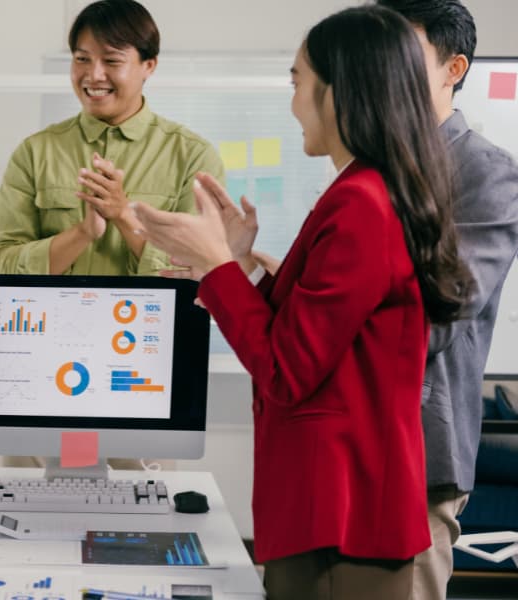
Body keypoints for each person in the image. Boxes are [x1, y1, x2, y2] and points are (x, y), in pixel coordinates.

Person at [134, 6, 474, 599]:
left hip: (342, 517)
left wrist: (216, 265)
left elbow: (287, 369)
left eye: (297, 82)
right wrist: (234, 265)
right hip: (334, 512)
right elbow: (318, 331)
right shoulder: (364, 190)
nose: (292, 103)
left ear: (340, 92)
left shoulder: (361, 202)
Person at [0, 0, 223, 471]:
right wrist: (82, 232)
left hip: (141, 378)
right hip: (41, 379)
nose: (93, 75)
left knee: (138, 510)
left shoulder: (192, 157)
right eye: (82, 58)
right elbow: (3, 264)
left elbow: (199, 275)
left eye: (111, 60)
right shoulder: (35, 153)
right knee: (29, 506)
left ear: (148, 65)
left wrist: (123, 217)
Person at [376, 2, 518, 598]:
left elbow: (443, 312)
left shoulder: (487, 172)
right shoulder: (372, 165)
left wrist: (333, 307)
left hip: (420, 447)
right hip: (349, 438)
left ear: (453, 68)